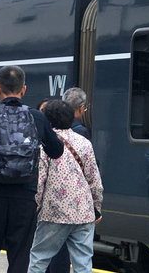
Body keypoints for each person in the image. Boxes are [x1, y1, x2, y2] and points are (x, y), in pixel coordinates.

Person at [0, 66, 64, 273]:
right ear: (24, 89)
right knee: (20, 257)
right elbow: (56, 151)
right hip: (24, 197)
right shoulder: (37, 117)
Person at [28, 100, 103, 273]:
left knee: (39, 258)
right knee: (83, 263)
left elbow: (39, 181)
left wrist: (34, 208)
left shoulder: (44, 143)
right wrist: (96, 207)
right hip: (83, 213)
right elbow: (94, 179)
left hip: (54, 213)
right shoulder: (85, 143)